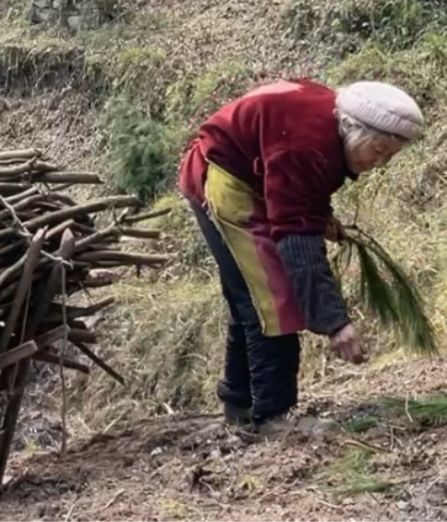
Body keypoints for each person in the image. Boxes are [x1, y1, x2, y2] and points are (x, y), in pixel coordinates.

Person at [177, 78, 423, 436]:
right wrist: (335, 322)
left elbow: (298, 185)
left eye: (390, 156)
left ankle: (239, 405)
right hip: (225, 180)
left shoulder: (328, 132)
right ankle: (272, 417)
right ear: (352, 129)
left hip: (252, 175)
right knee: (274, 300)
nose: (380, 163)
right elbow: (297, 240)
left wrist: (319, 215)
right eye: (378, 150)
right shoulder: (308, 147)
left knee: (250, 301)